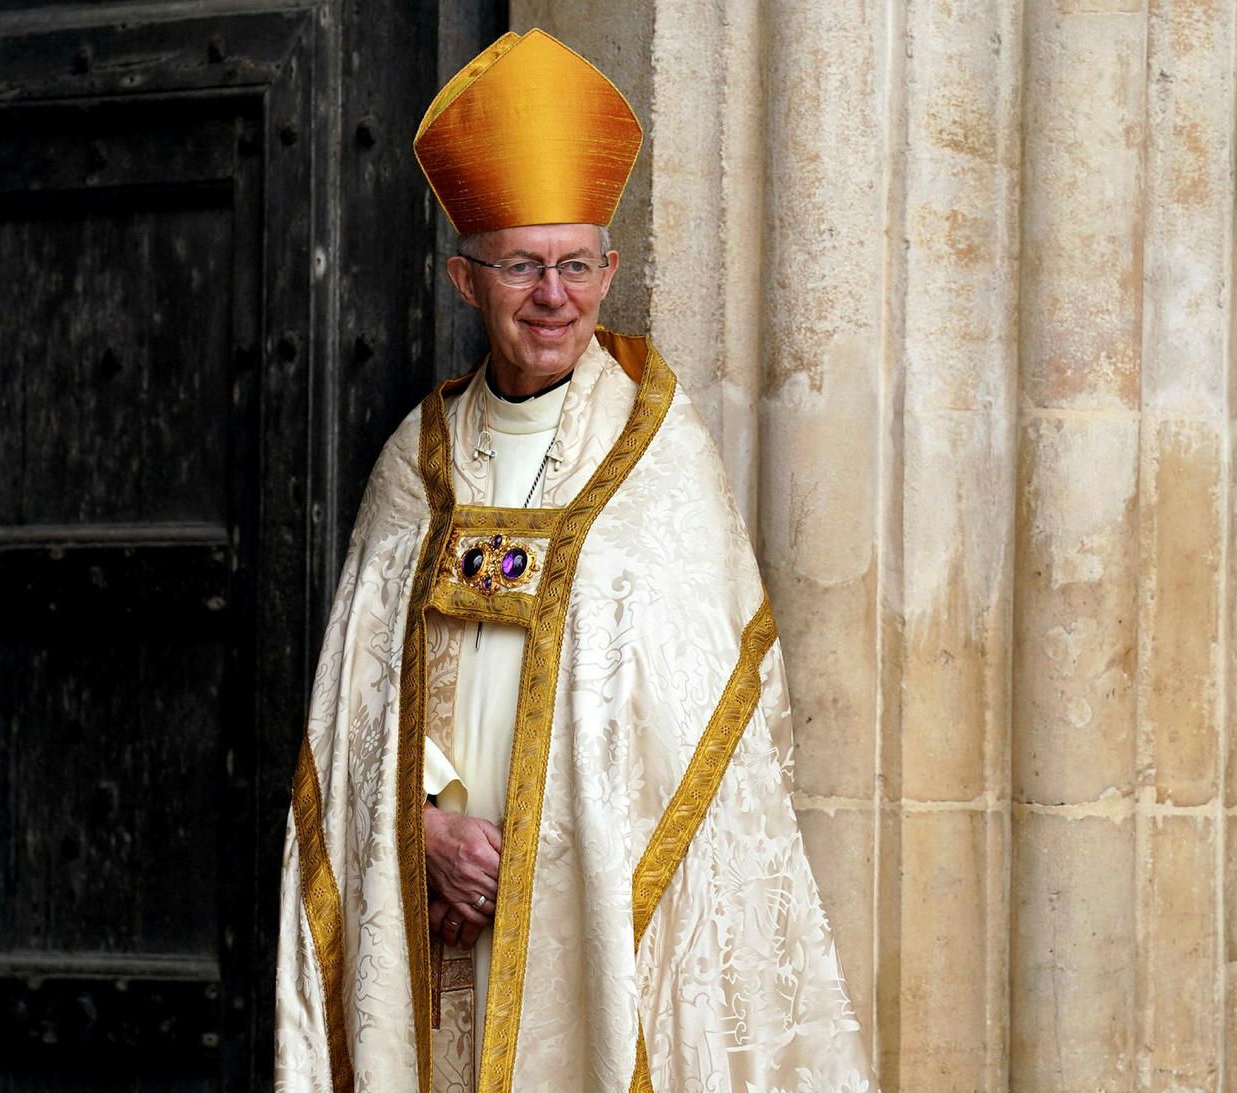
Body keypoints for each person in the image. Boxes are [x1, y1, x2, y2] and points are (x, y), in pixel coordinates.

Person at [274, 28, 874, 1093]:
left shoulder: (657, 457)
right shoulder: (413, 464)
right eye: (520, 265)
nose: (553, 295)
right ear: (466, 278)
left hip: (589, 914)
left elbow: (708, 722)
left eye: (576, 265)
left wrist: (556, 850)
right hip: (437, 920)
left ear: (608, 271)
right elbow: (364, 701)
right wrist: (426, 825)